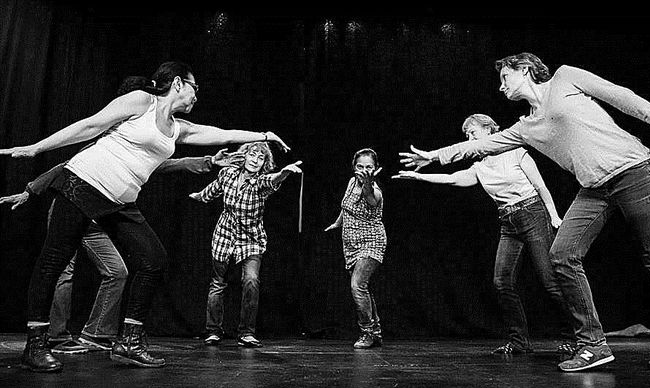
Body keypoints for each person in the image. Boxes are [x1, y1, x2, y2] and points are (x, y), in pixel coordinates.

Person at [399, 52, 650, 371]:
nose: (501, 86)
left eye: (505, 77)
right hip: (594, 188)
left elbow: (619, 95)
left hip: (634, 173)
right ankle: (593, 344)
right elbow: (481, 146)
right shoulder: (526, 127)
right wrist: (435, 156)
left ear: (524, 69)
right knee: (561, 255)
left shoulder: (565, 77)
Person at [0, 61, 291, 372]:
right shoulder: (142, 101)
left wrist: (264, 135)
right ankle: (36, 344)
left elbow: (219, 133)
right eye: (194, 88)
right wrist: (37, 148)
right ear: (177, 83)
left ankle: (129, 341)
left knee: (153, 260)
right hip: (82, 185)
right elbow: (90, 126)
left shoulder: (179, 127)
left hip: (120, 202)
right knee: (53, 262)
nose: (196, 96)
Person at [0, 149, 235, 354]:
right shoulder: (105, 151)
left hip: (97, 220)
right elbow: (63, 167)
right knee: (63, 272)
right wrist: (30, 191)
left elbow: (169, 164)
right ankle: (56, 336)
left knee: (117, 272)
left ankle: (96, 333)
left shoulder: (136, 159)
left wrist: (210, 161)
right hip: (72, 211)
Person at [393, 114, 576, 356]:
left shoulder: (515, 152)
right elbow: (453, 179)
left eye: (473, 132)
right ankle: (519, 341)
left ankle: (575, 337)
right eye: (467, 135)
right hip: (508, 221)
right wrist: (419, 176)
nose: (469, 138)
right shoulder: (480, 167)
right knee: (502, 282)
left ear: (489, 130)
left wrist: (554, 216)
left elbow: (541, 186)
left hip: (532, 213)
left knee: (550, 281)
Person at [189, 142, 302, 348]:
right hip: (224, 235)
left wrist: (284, 173)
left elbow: (272, 180)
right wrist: (199, 196)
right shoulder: (228, 174)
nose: (255, 160)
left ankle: (246, 333)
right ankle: (213, 331)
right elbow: (213, 189)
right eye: (252, 155)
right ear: (245, 156)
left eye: (260, 158)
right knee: (218, 282)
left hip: (251, 239)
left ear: (264, 164)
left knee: (251, 280)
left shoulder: (259, 183)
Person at [325, 148, 386, 349]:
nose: (364, 170)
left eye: (369, 167)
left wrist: (368, 184)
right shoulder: (352, 182)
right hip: (351, 245)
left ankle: (367, 332)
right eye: (360, 166)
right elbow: (346, 207)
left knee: (357, 286)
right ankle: (375, 332)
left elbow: (370, 197)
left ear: (375, 169)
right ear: (354, 167)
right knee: (362, 288)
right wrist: (337, 223)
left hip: (371, 242)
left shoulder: (375, 190)